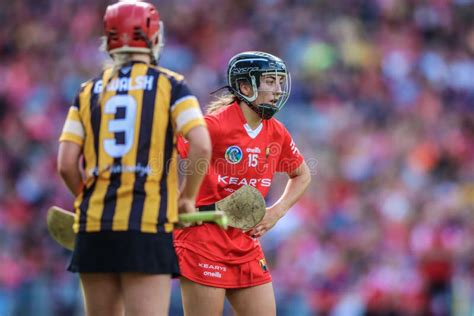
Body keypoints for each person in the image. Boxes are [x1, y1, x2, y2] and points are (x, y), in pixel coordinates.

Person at [57, 1, 211, 315]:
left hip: (94, 227)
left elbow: (65, 164)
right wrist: (186, 198)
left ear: (109, 40)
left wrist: (87, 199)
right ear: (154, 38)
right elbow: (202, 145)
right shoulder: (172, 85)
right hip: (147, 224)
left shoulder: (87, 91)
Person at [174, 51, 311, 316]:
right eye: (270, 81)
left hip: (245, 243)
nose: (278, 90)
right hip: (202, 239)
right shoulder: (215, 125)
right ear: (245, 86)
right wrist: (176, 198)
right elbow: (168, 142)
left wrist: (276, 212)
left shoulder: (276, 132)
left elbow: (302, 175)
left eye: (280, 82)